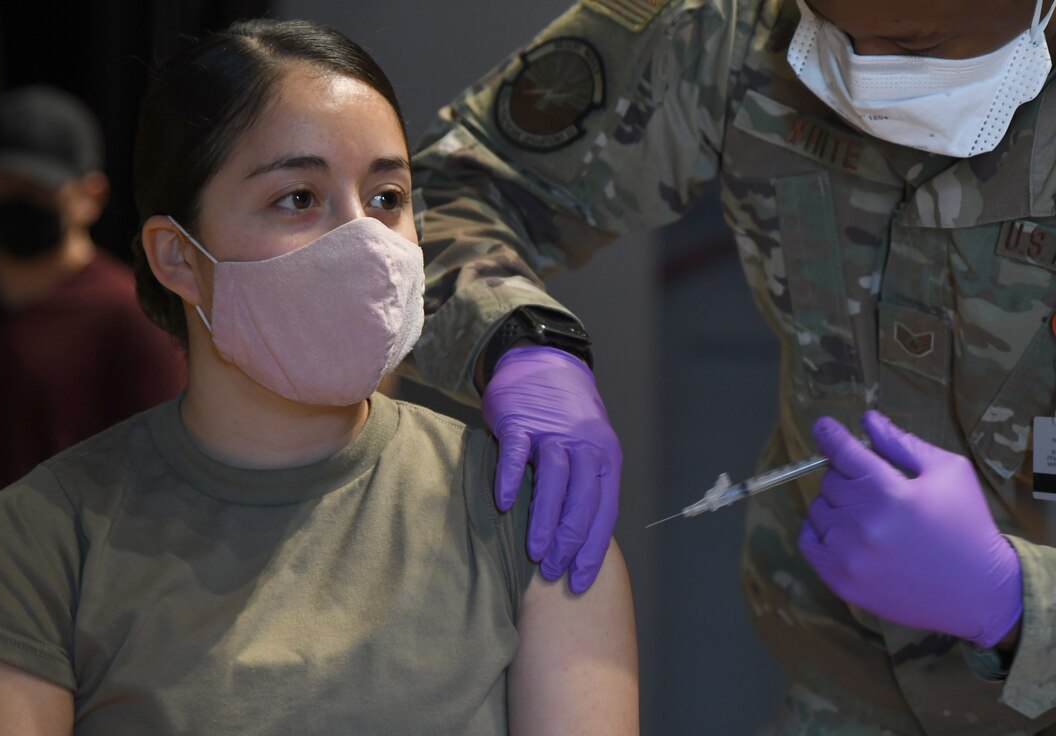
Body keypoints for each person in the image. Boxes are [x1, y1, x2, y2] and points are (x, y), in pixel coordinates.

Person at [0, 19, 638, 735]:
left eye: (386, 198)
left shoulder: (525, 516)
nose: (365, 241)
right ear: (179, 257)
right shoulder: (36, 548)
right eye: (299, 199)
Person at [408, 0, 1056, 732]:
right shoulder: (732, 23)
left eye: (916, 41)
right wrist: (517, 340)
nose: (867, 70)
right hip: (843, 690)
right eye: (837, 32)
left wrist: (1016, 603)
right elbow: (441, 190)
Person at [0, 85, 187, 531]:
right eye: (1, 183)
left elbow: (164, 482)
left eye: (37, 188)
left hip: (70, 586)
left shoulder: (134, 318)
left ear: (89, 197)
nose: (15, 201)